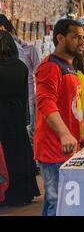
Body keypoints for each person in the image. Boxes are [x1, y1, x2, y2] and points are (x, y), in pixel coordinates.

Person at [34, 19, 84, 216]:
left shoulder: (68, 66)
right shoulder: (50, 66)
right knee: (59, 201)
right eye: (76, 37)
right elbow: (45, 102)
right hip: (53, 147)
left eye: (82, 38)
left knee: (54, 200)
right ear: (60, 38)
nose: (81, 42)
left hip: (67, 146)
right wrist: (64, 134)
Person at [0, 31, 40, 206]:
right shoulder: (21, 67)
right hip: (16, 117)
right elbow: (25, 96)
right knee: (18, 154)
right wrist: (25, 119)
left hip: (2, 118)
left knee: (4, 157)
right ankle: (21, 194)